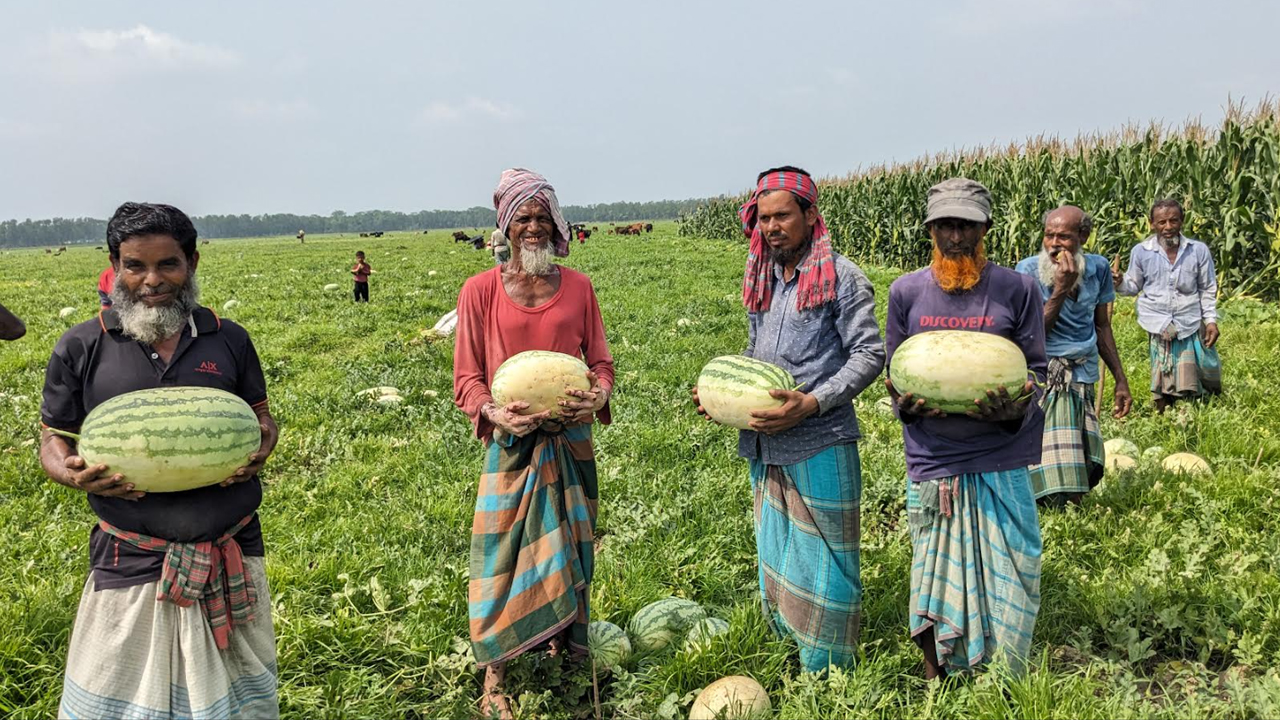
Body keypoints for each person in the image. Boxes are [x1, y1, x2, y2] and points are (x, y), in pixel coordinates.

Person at [39, 202, 280, 718]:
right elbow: (53, 439)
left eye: (167, 264)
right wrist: (72, 473)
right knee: (118, 697)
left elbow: (261, 417)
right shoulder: (81, 345)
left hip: (230, 544)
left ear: (191, 262)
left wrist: (261, 444)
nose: (152, 280)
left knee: (238, 701)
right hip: (131, 557)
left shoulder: (228, 337)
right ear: (115, 265)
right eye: (135, 265)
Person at [691, 166, 884, 673]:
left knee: (828, 557)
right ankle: (788, 649)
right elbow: (755, 356)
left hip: (821, 437)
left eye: (782, 216)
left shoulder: (843, 278)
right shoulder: (763, 279)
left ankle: (830, 670)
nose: (772, 227)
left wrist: (813, 402)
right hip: (765, 443)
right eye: (763, 218)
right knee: (777, 551)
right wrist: (718, 397)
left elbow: (868, 354)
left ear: (810, 216)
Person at [453, 168, 614, 719]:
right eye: (523, 216)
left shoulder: (580, 288)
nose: (534, 226)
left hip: (570, 442)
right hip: (512, 448)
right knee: (501, 558)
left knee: (571, 549)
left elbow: (600, 364)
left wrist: (596, 398)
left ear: (557, 223)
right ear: (504, 225)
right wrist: (493, 411)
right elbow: (467, 379)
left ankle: (568, 654)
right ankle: (495, 673)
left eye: (543, 216)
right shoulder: (478, 291)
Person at [885, 177, 1046, 678]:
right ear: (931, 229)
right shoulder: (905, 292)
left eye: (967, 226)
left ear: (985, 229)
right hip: (935, 457)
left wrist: (1013, 409)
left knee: (1015, 563)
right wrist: (907, 406)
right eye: (946, 225)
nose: (956, 236)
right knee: (932, 565)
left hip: (1001, 453)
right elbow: (896, 375)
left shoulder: (1018, 289)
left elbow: (1036, 372)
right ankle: (937, 673)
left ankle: (1004, 673)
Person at [1015, 206, 1132, 507]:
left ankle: (1071, 508)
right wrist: (1060, 289)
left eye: (1064, 237)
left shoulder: (1099, 269)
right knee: (1043, 450)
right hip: (1045, 372)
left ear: (1083, 236)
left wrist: (1121, 379)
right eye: (1049, 235)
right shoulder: (1027, 272)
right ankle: (1051, 510)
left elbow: (1102, 326)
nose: (1054, 244)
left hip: (1083, 371)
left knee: (1077, 450)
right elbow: (1032, 334)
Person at [1112, 199, 1221, 413]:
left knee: (1196, 371)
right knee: (1162, 371)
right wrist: (1119, 282)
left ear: (1183, 221)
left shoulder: (1198, 251)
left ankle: (1193, 412)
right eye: (1162, 222)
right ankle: (1163, 414)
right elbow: (1133, 285)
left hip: (1188, 319)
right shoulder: (1141, 252)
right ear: (1152, 224)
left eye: (1174, 221)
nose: (1168, 227)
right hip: (1157, 320)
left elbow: (1207, 288)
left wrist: (1210, 320)